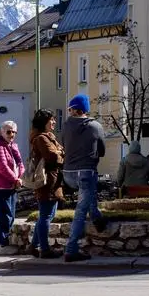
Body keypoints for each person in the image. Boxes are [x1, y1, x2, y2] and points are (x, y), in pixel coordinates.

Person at [61, 94, 108, 263]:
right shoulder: (96, 126)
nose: (69, 112)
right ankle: (72, 249)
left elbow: (63, 145)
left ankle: (96, 217)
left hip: (68, 173)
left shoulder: (66, 126)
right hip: (85, 172)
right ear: (86, 109)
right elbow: (102, 151)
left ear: (74, 109)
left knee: (89, 194)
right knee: (80, 212)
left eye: (70, 109)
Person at [28, 110, 65, 259]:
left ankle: (34, 246)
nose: (54, 122)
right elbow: (52, 157)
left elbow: (60, 152)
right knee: (46, 216)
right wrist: (61, 154)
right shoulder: (41, 139)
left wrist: (60, 152)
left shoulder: (48, 137)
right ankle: (44, 249)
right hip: (46, 182)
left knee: (47, 215)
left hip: (52, 181)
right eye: (51, 120)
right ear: (44, 122)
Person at [0, 120, 24, 255]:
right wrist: (15, 179)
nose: (11, 134)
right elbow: (2, 166)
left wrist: (18, 177)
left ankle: (3, 243)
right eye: (8, 131)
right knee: (5, 215)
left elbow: (20, 163)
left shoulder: (13, 146)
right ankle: (1, 245)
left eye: (14, 132)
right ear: (1, 132)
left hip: (11, 185)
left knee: (10, 215)